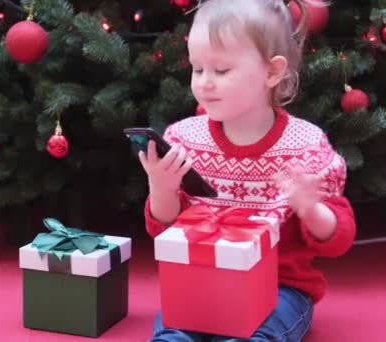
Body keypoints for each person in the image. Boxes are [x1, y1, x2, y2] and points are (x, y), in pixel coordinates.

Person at [138, 0, 356, 340]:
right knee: (172, 333)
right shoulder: (183, 139)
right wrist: (161, 187)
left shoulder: (305, 147)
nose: (204, 83)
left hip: (279, 287)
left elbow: (338, 240)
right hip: (201, 277)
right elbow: (164, 228)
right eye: (197, 69)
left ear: (272, 72)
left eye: (221, 71)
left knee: (255, 335)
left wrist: (311, 209)